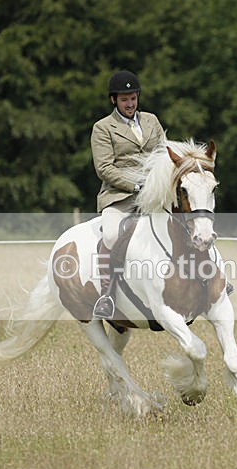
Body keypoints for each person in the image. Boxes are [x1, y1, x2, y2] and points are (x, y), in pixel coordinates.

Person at [91, 70, 165, 320]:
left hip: (154, 195)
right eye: (124, 99)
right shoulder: (102, 128)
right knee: (111, 235)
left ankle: (210, 280)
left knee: (191, 221)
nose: (130, 104)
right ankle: (106, 295)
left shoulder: (152, 121)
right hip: (119, 197)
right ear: (114, 100)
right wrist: (136, 185)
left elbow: (163, 154)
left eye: (133, 98)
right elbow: (104, 168)